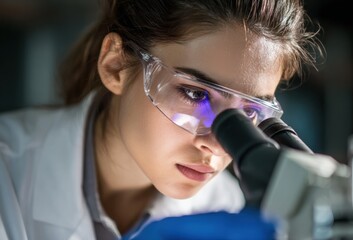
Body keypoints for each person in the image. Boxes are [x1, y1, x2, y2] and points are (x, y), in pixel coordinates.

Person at [0, 0, 321, 239]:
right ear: (116, 66)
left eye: (248, 112)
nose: (216, 147)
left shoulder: (225, 204)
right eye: (195, 94)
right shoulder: (8, 178)